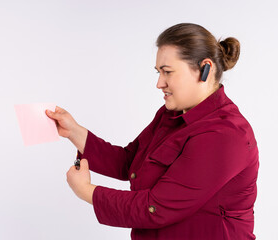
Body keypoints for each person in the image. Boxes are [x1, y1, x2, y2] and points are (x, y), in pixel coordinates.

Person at [46, 23, 259, 240]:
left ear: (205, 68)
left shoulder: (226, 135)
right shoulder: (171, 114)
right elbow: (129, 162)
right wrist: (73, 131)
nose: (159, 83)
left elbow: (157, 208)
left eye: (167, 72)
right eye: (158, 72)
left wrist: (86, 191)